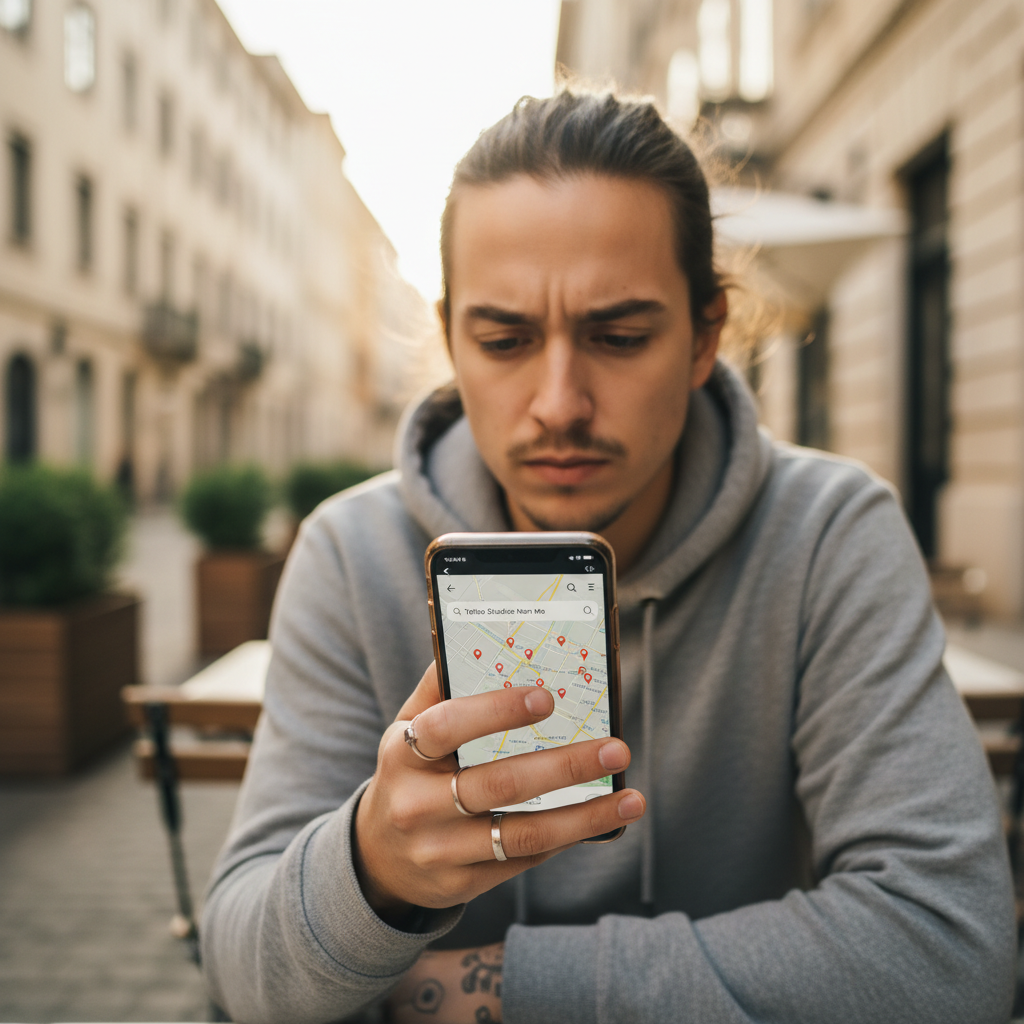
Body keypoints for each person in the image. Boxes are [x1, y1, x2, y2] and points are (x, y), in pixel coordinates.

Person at [201, 88, 1016, 1024]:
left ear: (706, 336)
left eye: (619, 337)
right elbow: (241, 972)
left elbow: (951, 952)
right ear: (451, 338)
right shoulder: (351, 553)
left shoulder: (830, 532)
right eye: (504, 340)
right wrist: (372, 865)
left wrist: (482, 991)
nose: (559, 404)